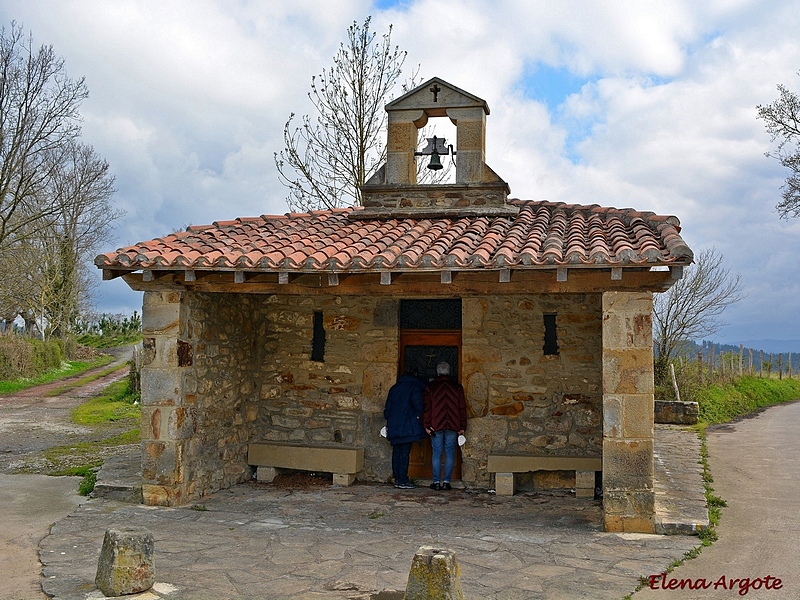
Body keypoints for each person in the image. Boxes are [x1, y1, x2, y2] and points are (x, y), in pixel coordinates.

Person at [423, 361, 467, 491]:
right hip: (453, 425)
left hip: (436, 425)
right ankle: (447, 482)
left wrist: (426, 424)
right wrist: (463, 425)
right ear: (449, 372)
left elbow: (427, 408)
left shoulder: (431, 387)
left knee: (436, 453)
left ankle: (436, 482)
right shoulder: (457, 387)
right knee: (449, 453)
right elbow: (462, 408)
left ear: (437, 372)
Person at [383, 367, 426, 489]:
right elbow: (417, 403)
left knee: (396, 452)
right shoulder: (415, 386)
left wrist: (390, 418)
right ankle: (403, 480)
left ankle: (397, 478)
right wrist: (418, 415)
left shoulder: (395, 388)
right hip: (408, 424)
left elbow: (387, 410)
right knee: (404, 453)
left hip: (394, 425)